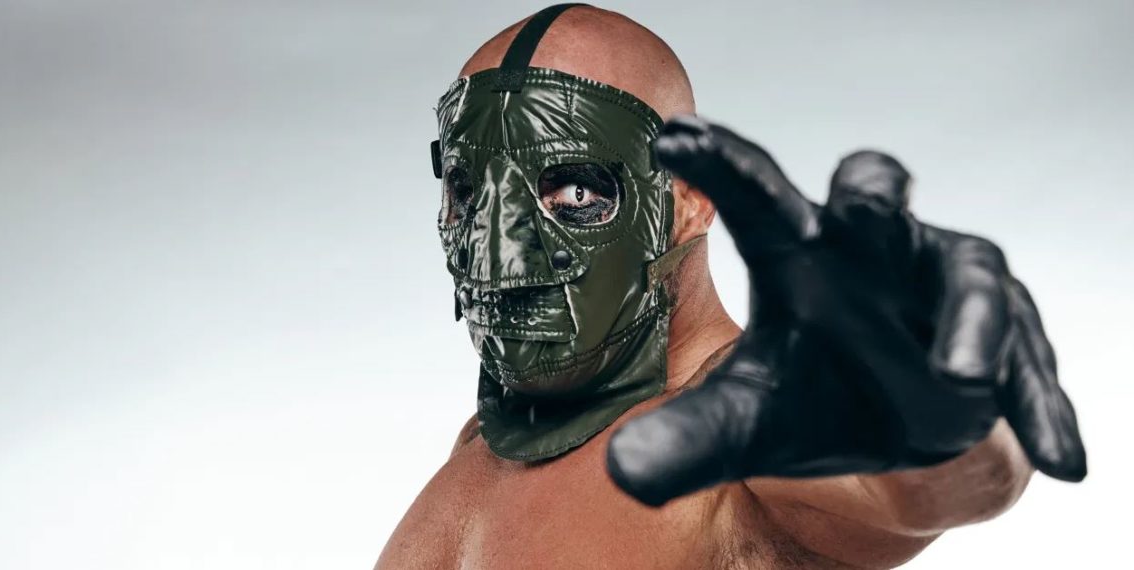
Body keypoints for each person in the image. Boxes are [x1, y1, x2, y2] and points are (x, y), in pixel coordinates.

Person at [376, 4, 1086, 569]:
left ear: (687, 203)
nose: (498, 253)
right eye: (468, 194)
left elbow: (922, 477)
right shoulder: (481, 444)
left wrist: (939, 395)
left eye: (574, 191)